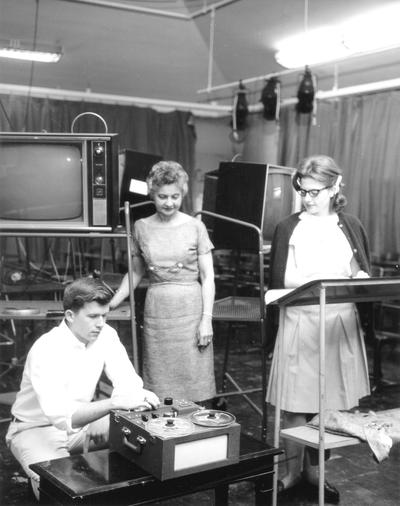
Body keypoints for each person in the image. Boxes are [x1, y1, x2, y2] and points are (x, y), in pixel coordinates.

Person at [266, 155, 371, 504]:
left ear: (335, 187)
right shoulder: (287, 227)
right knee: (295, 402)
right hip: (300, 321)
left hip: (338, 323)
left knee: (328, 402)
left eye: (316, 192)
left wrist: (361, 278)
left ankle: (316, 473)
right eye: (303, 191)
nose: (308, 198)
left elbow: (358, 268)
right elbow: (280, 279)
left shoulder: (349, 224)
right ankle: (292, 472)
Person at [5, 277, 160, 501]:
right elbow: (62, 418)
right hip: (34, 430)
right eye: (93, 316)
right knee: (63, 491)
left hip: (81, 426)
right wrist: (111, 406)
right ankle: (41, 483)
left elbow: (129, 383)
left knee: (145, 435)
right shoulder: (46, 349)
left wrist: (107, 415)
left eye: (104, 315)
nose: (100, 323)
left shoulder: (106, 334)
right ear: (70, 316)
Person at [110, 161, 216, 403]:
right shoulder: (141, 227)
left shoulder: (195, 227)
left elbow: (208, 277)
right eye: (162, 196)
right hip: (158, 313)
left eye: (175, 196)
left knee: (194, 382)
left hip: (191, 311)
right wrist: (112, 303)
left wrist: (206, 321)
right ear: (152, 194)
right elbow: (135, 272)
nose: (169, 202)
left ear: (183, 194)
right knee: (158, 383)